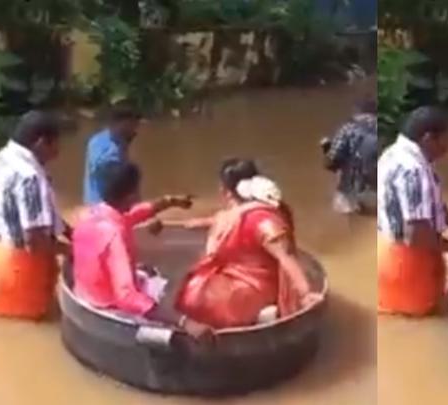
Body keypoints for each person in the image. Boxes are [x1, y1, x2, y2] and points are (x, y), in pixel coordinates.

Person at [71, 161, 211, 339]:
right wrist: (185, 322)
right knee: (175, 296)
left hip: (84, 294)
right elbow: (127, 296)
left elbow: (133, 215)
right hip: (108, 311)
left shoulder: (89, 214)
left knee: (147, 273)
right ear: (132, 194)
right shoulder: (115, 235)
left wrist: (170, 202)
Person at [174, 159, 321, 328]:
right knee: (198, 284)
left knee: (197, 291)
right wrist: (197, 223)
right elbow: (219, 220)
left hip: (258, 287)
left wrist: (306, 294)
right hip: (241, 279)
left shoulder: (262, 221)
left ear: (226, 191)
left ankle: (261, 313)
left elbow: (285, 257)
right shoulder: (235, 215)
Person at [377, 106, 448, 316]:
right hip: (409, 264)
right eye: (446, 139)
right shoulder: (413, 170)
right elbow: (416, 234)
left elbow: (434, 204)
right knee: (426, 318)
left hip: (389, 253)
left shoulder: (393, 154)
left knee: (402, 316)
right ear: (428, 138)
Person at [0, 111, 70, 319]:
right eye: (56, 144)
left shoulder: (1, 158)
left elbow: (43, 215)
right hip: (21, 272)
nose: (59, 152)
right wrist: (74, 251)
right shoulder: (30, 177)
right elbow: (36, 242)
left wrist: (70, 232)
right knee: (31, 325)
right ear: (41, 142)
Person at [321, 95, 378, 214]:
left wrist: (326, 149)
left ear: (357, 112)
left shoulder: (347, 129)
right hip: (379, 191)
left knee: (348, 219)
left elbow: (331, 162)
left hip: (353, 192)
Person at [83, 103, 141, 205]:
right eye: (132, 126)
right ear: (119, 124)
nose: (135, 130)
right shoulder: (101, 142)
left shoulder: (119, 142)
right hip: (100, 205)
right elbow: (109, 171)